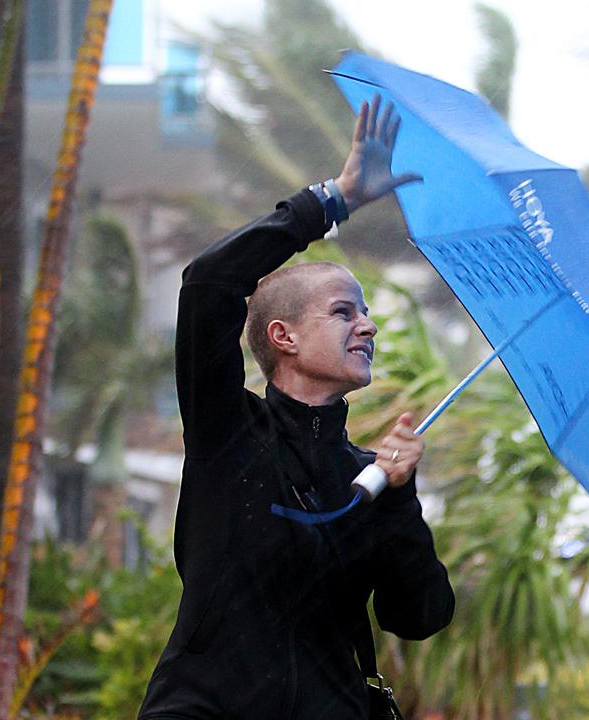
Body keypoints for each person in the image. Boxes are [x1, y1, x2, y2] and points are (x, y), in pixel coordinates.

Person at [139, 96, 454, 719]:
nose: (367, 326)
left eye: (365, 313)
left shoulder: (367, 476)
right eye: (344, 311)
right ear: (282, 337)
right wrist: (332, 199)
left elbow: (417, 617)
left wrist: (401, 492)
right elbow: (208, 283)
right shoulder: (227, 431)